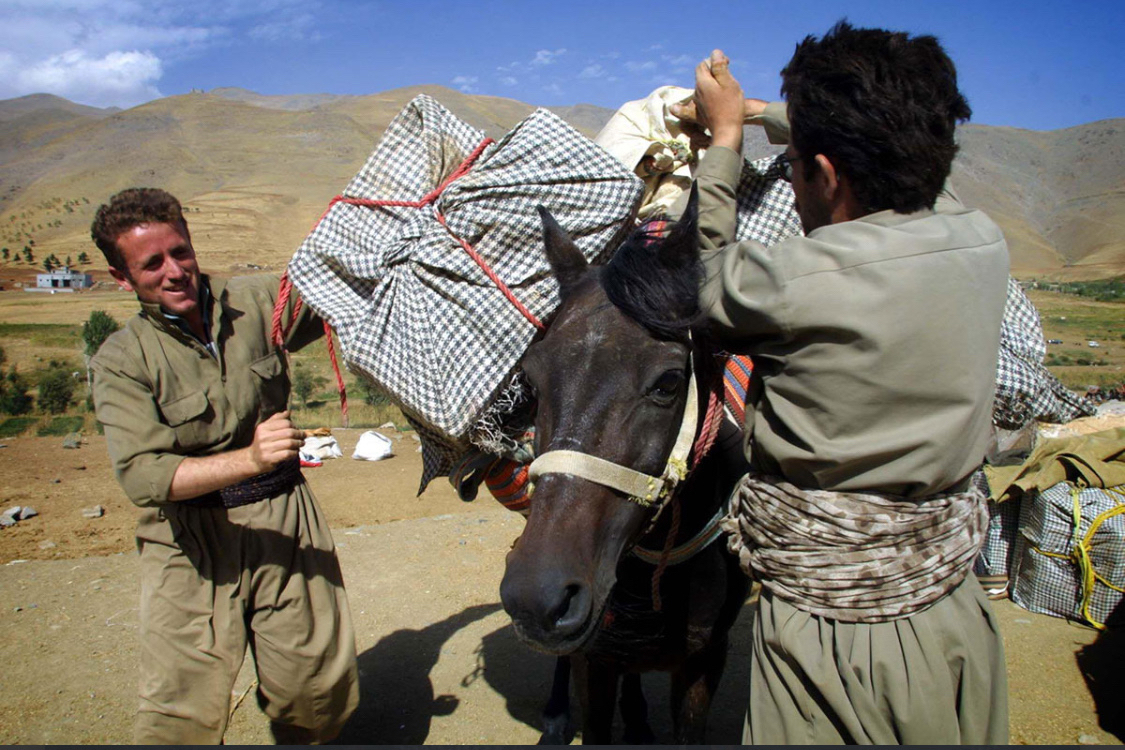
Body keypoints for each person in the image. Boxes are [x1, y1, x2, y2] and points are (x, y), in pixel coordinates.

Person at [672, 22, 1010, 744]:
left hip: (835, 638)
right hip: (951, 606)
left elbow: (701, 282)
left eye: (793, 166)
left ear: (824, 175)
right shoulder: (980, 237)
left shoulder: (794, 278)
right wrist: (759, 111)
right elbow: (908, 149)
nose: (790, 184)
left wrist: (725, 139)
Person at [89, 187, 359, 744]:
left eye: (180, 252)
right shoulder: (121, 359)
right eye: (152, 264)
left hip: (285, 519)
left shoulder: (257, 302)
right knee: (179, 712)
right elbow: (144, 477)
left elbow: (340, 287)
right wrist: (250, 458)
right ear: (122, 278)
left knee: (315, 694)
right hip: (188, 539)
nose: (174, 272)